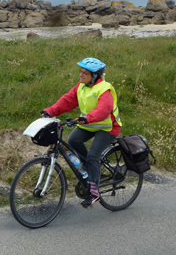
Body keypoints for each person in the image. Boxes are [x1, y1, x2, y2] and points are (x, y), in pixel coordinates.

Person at [41, 57, 122, 208]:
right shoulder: (81, 86)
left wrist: (88, 118)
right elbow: (67, 101)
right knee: (72, 141)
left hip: (108, 127)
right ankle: (88, 168)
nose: (81, 74)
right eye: (81, 71)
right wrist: (50, 111)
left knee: (93, 155)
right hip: (89, 124)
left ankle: (94, 192)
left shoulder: (105, 89)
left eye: (85, 73)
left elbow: (104, 110)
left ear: (95, 76)